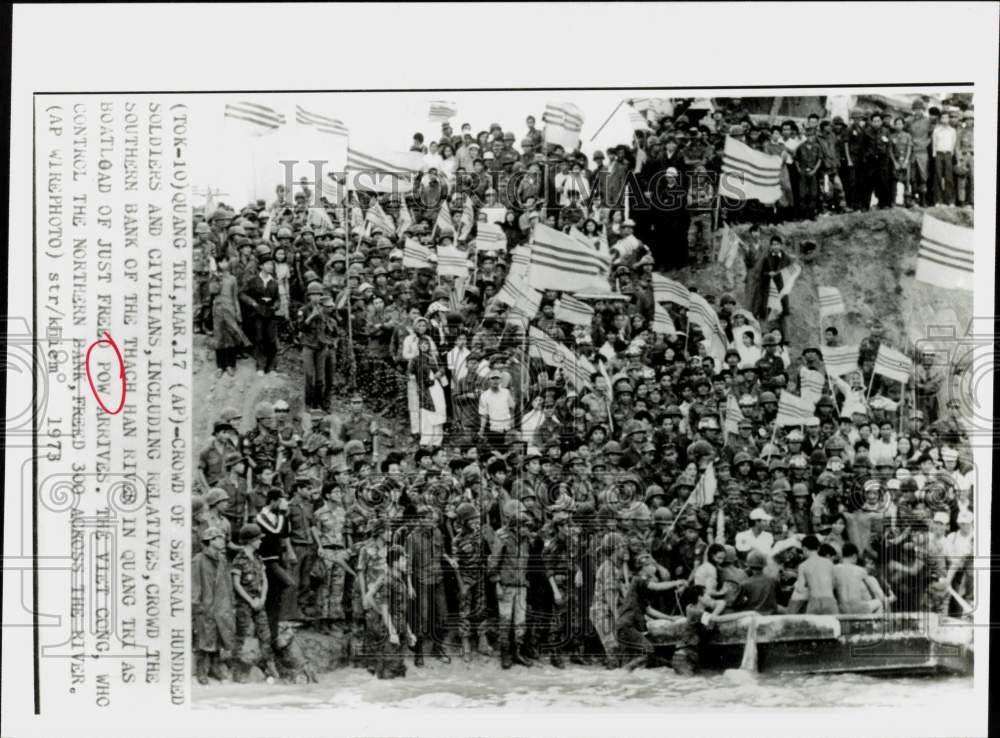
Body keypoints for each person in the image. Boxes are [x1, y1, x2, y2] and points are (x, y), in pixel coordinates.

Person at [230, 523, 280, 681]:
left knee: (265, 635)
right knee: (241, 635)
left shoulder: (258, 557)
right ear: (250, 540)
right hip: (245, 603)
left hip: (259, 601)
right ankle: (237, 668)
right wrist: (250, 600)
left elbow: (264, 579)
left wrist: (263, 597)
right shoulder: (239, 559)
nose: (260, 542)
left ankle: (269, 665)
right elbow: (236, 584)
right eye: (258, 539)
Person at [191, 526, 235, 684]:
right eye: (219, 538)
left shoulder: (222, 560)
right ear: (211, 541)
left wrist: (230, 603)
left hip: (220, 605)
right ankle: (201, 670)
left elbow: (227, 583)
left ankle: (215, 668)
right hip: (206, 605)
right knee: (204, 638)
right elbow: (195, 585)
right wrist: (197, 606)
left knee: (219, 636)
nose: (223, 540)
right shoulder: (198, 560)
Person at [832, 542, 882, 613]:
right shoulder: (860, 570)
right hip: (858, 607)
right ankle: (876, 624)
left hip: (842, 608)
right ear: (854, 556)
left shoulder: (834, 569)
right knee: (878, 602)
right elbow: (875, 591)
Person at [793, 534, 838, 614]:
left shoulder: (803, 566)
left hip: (814, 600)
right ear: (818, 548)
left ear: (804, 549)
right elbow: (833, 584)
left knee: (814, 626)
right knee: (833, 625)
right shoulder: (829, 563)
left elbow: (800, 589)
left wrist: (796, 586)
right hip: (829, 599)